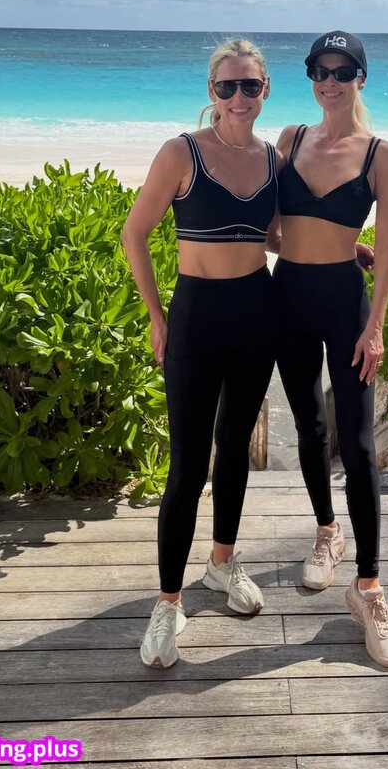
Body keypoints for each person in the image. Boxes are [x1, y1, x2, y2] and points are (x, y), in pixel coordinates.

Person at [122, 38, 280, 669]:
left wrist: (344, 250)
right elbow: (135, 232)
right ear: (212, 91)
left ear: (265, 90)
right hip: (197, 316)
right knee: (188, 466)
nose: (238, 97)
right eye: (227, 86)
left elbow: (271, 233)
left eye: (250, 86)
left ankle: (221, 562)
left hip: (257, 312)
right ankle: (168, 602)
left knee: (235, 446)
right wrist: (157, 316)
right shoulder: (181, 152)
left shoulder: (273, 159)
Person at [272, 30, 388, 668]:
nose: (329, 81)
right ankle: (328, 532)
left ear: (360, 78)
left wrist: (374, 326)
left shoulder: (382, 154)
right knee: (309, 424)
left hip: (347, 306)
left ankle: (369, 588)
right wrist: (333, 242)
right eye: (319, 71)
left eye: (342, 71)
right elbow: (270, 232)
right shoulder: (289, 139)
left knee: (358, 444)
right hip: (288, 297)